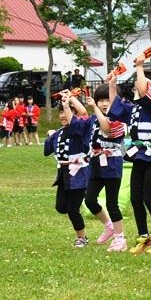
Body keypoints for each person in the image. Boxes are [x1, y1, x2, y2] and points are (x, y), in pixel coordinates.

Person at [108, 53, 151, 255]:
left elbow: (144, 88)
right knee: (136, 199)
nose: (136, 84)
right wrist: (112, 84)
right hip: (138, 155)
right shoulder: (134, 108)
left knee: (149, 198)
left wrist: (140, 66)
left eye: (140, 81)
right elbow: (115, 107)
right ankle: (144, 236)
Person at [44, 90, 113, 247]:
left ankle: (82, 238)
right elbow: (48, 150)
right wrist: (50, 135)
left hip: (79, 175)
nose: (63, 115)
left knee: (73, 208)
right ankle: (107, 224)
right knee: (61, 207)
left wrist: (71, 99)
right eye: (61, 112)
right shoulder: (59, 133)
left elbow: (82, 112)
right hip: (64, 175)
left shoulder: (80, 129)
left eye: (66, 111)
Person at [71, 85, 128, 252]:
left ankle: (120, 239)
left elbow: (107, 128)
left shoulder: (119, 119)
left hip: (112, 164)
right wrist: (71, 98)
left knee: (112, 203)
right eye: (101, 100)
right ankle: (109, 226)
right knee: (89, 200)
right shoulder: (95, 118)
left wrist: (94, 107)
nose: (104, 104)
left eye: (107, 100)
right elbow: (82, 114)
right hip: (96, 163)